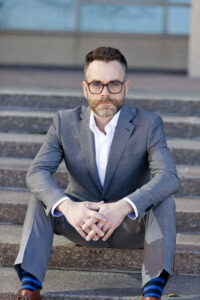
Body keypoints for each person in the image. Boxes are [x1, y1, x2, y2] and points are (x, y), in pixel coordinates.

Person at [14, 46, 180, 300]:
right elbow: (37, 172)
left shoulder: (148, 124)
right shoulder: (64, 122)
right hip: (80, 222)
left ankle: (152, 292)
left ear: (125, 87)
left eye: (114, 84)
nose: (105, 93)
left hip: (128, 226)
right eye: (97, 85)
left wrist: (122, 207)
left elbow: (167, 176)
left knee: (164, 200)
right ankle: (30, 288)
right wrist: (70, 208)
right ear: (85, 88)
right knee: (41, 196)